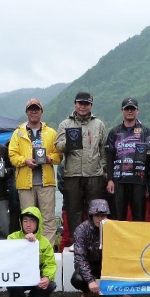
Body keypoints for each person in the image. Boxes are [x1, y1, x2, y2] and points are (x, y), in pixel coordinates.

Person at [8, 98, 62, 245]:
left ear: (41, 112)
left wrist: (51, 158)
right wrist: (25, 161)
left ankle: (47, 249)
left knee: (48, 219)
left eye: (36, 109)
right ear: (26, 112)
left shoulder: (51, 132)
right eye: (31, 109)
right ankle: (29, 250)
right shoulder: (17, 133)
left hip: (47, 183)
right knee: (27, 220)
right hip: (25, 184)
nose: (34, 112)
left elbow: (59, 155)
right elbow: (12, 156)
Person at [56, 91, 107, 237]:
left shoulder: (99, 124)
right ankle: (76, 240)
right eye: (80, 103)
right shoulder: (65, 124)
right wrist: (70, 143)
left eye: (86, 104)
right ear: (75, 104)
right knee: (74, 210)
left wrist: (104, 169)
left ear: (91, 105)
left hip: (94, 175)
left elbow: (103, 149)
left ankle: (96, 239)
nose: (83, 106)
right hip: (72, 174)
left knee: (95, 210)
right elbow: (58, 146)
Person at [70, 199, 134, 297]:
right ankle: (87, 291)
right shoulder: (81, 230)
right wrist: (90, 281)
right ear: (91, 215)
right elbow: (80, 258)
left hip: (109, 263)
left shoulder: (114, 229)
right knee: (77, 279)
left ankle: (119, 292)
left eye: (103, 216)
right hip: (89, 264)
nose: (100, 219)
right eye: (97, 215)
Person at [104, 97, 150, 221]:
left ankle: (138, 241)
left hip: (139, 179)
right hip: (119, 180)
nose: (130, 111)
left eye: (132, 108)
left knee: (139, 217)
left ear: (138, 111)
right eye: (127, 108)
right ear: (122, 111)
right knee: (118, 217)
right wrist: (110, 179)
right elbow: (109, 157)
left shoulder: (145, 131)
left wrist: (148, 184)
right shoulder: (114, 132)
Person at [2, 206, 57, 297]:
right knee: (9, 277)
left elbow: (50, 264)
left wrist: (47, 277)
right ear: (21, 222)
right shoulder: (12, 237)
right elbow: (7, 257)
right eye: (25, 220)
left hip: (36, 276)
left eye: (32, 221)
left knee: (50, 284)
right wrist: (23, 241)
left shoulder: (45, 242)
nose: (28, 224)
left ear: (38, 223)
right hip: (19, 275)